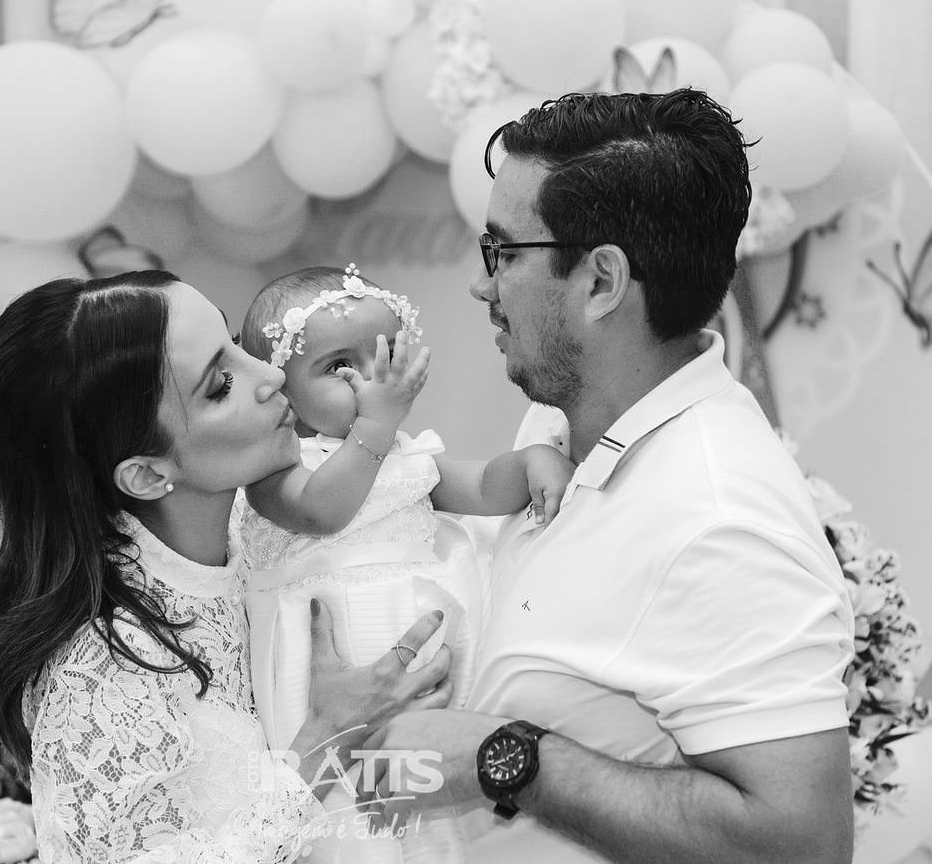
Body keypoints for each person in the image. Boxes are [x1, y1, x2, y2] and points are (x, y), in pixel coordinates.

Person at [360, 88, 857, 863]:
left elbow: (804, 845)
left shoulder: (718, 513)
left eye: (503, 253)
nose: (482, 285)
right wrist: (342, 734)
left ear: (600, 282)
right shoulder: (559, 423)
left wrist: (512, 759)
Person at [0, 270, 456, 862]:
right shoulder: (103, 669)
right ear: (146, 474)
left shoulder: (277, 522)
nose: (272, 375)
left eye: (235, 344)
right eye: (221, 384)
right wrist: (328, 735)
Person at [239, 264, 574, 756]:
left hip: (430, 642)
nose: (374, 377)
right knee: (352, 790)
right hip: (334, 669)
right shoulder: (278, 468)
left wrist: (529, 463)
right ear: (282, 392)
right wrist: (374, 428)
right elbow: (322, 512)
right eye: (340, 366)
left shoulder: (405, 454)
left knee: (443, 766)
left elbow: (482, 487)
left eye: (387, 354)